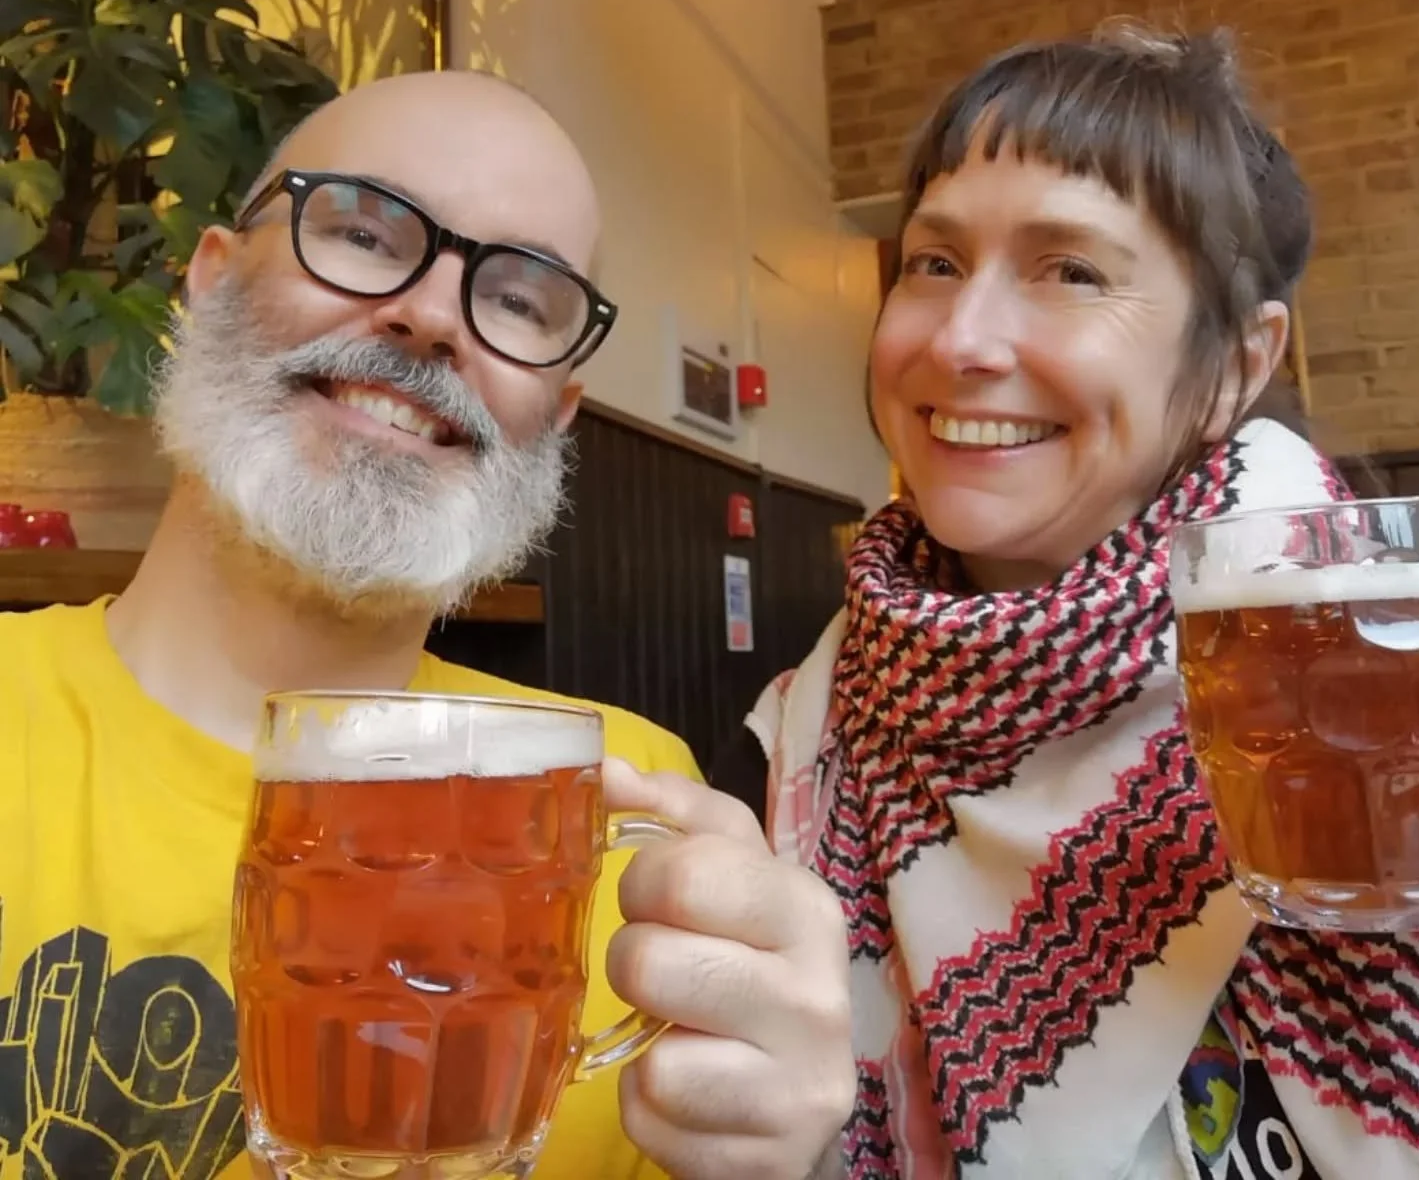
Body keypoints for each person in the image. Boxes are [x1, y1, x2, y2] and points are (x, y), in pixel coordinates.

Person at [0, 70, 854, 1180]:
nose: (433, 317)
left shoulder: (636, 806)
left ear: (559, 413)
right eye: (360, 230)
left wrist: (789, 1159)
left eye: (517, 300)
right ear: (208, 283)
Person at [714, 25, 1419, 1179]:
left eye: (1073, 271)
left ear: (1242, 366)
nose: (960, 339)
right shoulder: (815, 718)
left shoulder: (1375, 692)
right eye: (933, 264)